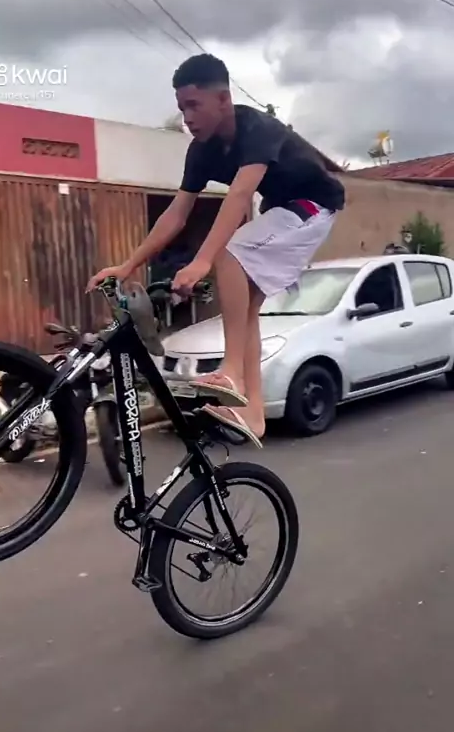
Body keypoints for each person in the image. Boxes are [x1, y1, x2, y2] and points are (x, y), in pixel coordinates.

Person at [87, 53, 345, 442]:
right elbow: (176, 214)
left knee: (231, 253)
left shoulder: (258, 129)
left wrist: (203, 260)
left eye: (194, 105)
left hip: (315, 205)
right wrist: (128, 265)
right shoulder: (201, 150)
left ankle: (232, 371)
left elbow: (239, 196)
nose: (187, 118)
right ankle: (253, 413)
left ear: (223, 99)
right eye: (182, 109)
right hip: (281, 211)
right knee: (247, 307)